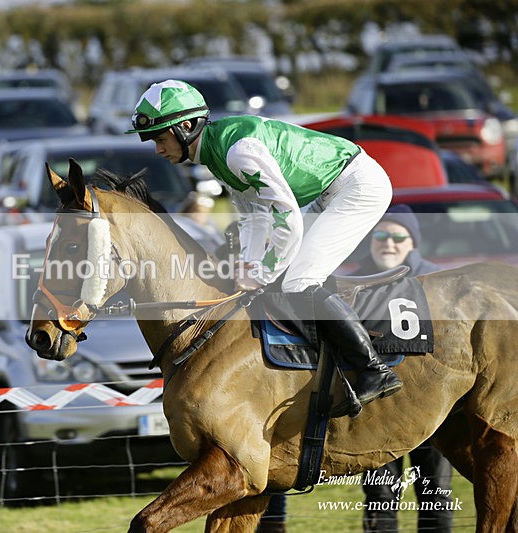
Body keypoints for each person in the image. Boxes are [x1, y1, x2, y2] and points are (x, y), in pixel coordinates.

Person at [125, 79, 402, 415]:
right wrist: (249, 266)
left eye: (160, 137)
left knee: (299, 281)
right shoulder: (215, 152)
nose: (157, 149)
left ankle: (375, 370)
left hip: (358, 188)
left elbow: (286, 216)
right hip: (330, 191)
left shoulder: (236, 152)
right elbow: (255, 218)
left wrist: (261, 271)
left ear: (185, 127)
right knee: (282, 279)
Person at [352, 205, 453, 532]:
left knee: (436, 501)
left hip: (433, 415)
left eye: (399, 236)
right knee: (380, 503)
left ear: (413, 243)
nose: (389, 243)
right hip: (378, 415)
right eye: (381, 235)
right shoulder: (349, 285)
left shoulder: (439, 284)